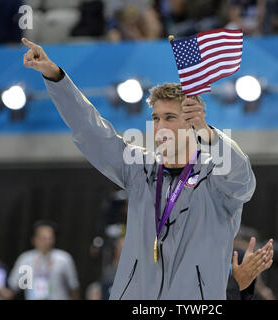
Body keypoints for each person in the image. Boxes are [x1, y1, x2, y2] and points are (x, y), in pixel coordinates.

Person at [21, 37, 256, 299]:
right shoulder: (139, 169)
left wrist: (208, 133)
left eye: (169, 118)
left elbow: (242, 180)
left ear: (192, 122)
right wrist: (56, 77)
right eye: (155, 118)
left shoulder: (216, 179)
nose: (159, 127)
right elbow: (91, 130)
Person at [8, 220, 80, 300]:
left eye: (50, 238)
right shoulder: (26, 259)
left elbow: (74, 288)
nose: (47, 242)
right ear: (34, 240)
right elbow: (13, 287)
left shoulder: (63, 259)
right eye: (43, 238)